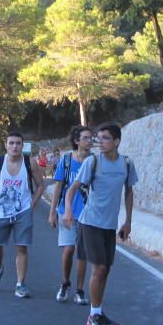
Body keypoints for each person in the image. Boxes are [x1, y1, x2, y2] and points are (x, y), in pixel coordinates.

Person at [63, 122, 137, 325]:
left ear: (116, 141)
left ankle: (98, 312)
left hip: (110, 225)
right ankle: (94, 316)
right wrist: (68, 211)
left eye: (105, 138)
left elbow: (129, 192)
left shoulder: (126, 164)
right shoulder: (93, 162)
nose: (99, 142)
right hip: (90, 222)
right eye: (98, 138)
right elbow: (73, 188)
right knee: (100, 268)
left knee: (106, 269)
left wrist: (128, 222)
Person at [0, 131, 43, 298]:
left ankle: (20, 284)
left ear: (22, 146)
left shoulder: (30, 163)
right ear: (6, 145)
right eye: (11, 143)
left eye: (18, 143)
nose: (14, 146)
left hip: (22, 211)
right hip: (0, 211)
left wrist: (33, 204)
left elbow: (40, 186)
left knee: (21, 247)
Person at [48, 126, 92, 304]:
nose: (90, 141)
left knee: (82, 252)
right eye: (86, 138)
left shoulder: (94, 161)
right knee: (68, 249)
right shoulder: (66, 160)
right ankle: (65, 283)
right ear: (77, 141)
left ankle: (80, 290)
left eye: (91, 138)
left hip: (88, 213)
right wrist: (52, 212)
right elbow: (58, 187)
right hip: (65, 211)